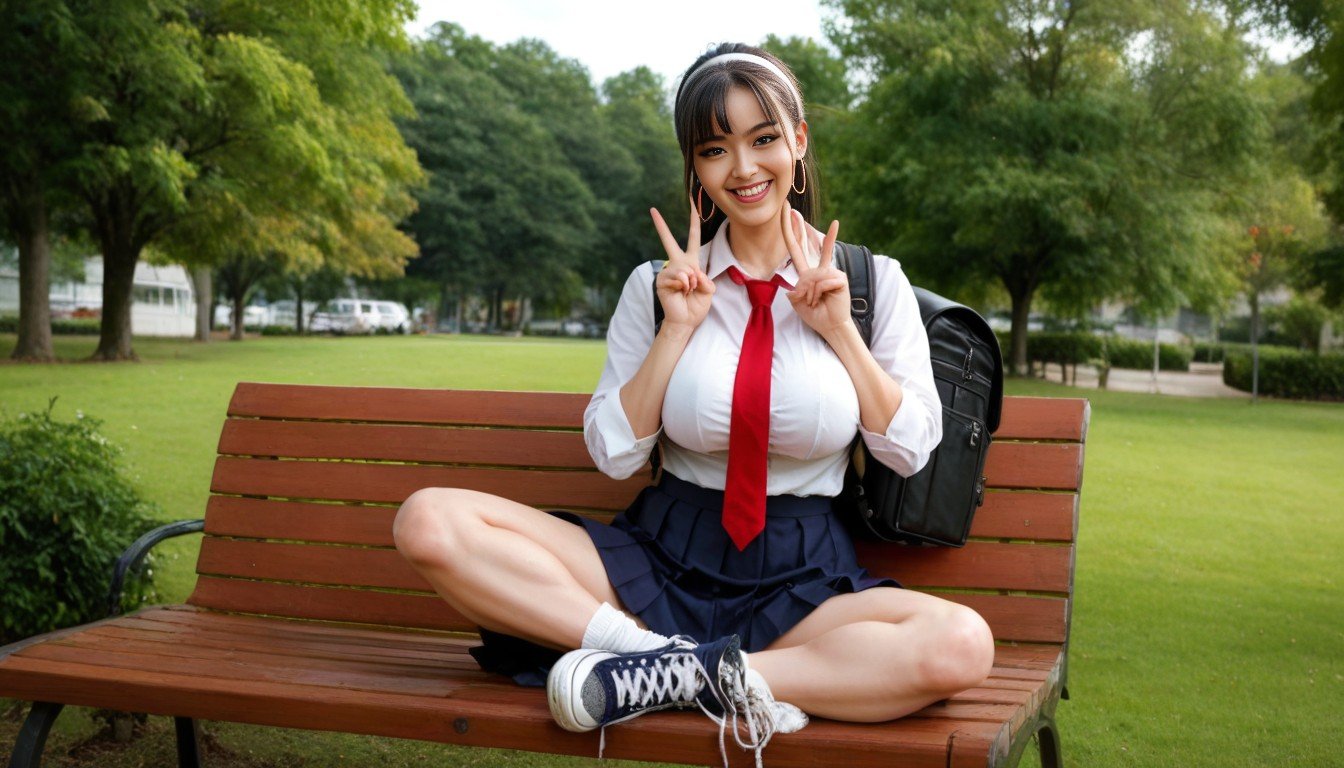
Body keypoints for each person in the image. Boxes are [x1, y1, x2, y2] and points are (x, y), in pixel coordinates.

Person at [392, 42, 994, 761]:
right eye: (715, 149)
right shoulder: (656, 286)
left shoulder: (871, 284)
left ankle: (672, 677)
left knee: (962, 643)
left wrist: (839, 331)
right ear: (696, 169)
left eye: (764, 139)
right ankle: (647, 655)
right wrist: (676, 330)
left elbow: (910, 447)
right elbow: (615, 456)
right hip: (658, 558)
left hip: (804, 577)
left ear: (798, 143)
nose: (743, 169)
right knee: (427, 521)